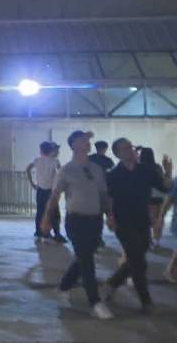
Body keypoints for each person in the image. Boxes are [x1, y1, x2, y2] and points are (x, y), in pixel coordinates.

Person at [40, 130, 114, 320]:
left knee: (84, 257)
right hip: (76, 220)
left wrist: (110, 215)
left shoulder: (97, 169)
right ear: (73, 145)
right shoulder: (66, 170)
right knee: (87, 262)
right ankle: (95, 302)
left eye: (88, 140)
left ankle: (64, 287)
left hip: (95, 220)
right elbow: (55, 195)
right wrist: (47, 218)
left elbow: (104, 196)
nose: (87, 143)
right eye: (82, 140)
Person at [102, 138, 172, 313]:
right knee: (139, 262)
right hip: (123, 222)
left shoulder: (146, 171)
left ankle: (111, 284)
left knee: (136, 259)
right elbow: (108, 198)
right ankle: (146, 301)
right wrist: (109, 217)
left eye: (131, 147)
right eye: (126, 148)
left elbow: (165, 188)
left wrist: (168, 171)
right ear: (118, 154)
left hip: (143, 221)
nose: (131, 150)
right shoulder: (113, 175)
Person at [26, 141, 65, 243]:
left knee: (40, 211)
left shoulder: (37, 160)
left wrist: (32, 183)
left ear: (41, 150)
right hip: (51, 191)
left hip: (40, 190)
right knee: (54, 212)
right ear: (52, 150)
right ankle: (56, 233)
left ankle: (40, 232)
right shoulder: (55, 161)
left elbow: (28, 169)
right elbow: (61, 173)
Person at [136, 147, 166, 242]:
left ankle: (148, 240)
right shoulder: (157, 166)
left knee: (148, 218)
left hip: (146, 195)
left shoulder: (140, 167)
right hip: (159, 195)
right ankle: (157, 240)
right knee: (159, 217)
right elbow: (162, 180)